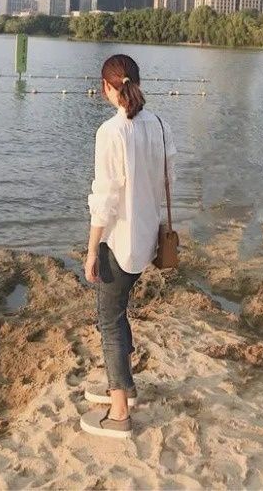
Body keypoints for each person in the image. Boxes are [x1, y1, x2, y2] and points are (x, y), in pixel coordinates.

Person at [79, 53, 177, 441]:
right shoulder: (161, 126)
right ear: (136, 82)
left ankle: (119, 412)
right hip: (147, 238)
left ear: (107, 87)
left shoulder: (111, 132)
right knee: (117, 314)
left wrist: (91, 249)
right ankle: (126, 387)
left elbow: (105, 199)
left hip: (118, 241)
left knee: (109, 321)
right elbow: (169, 180)